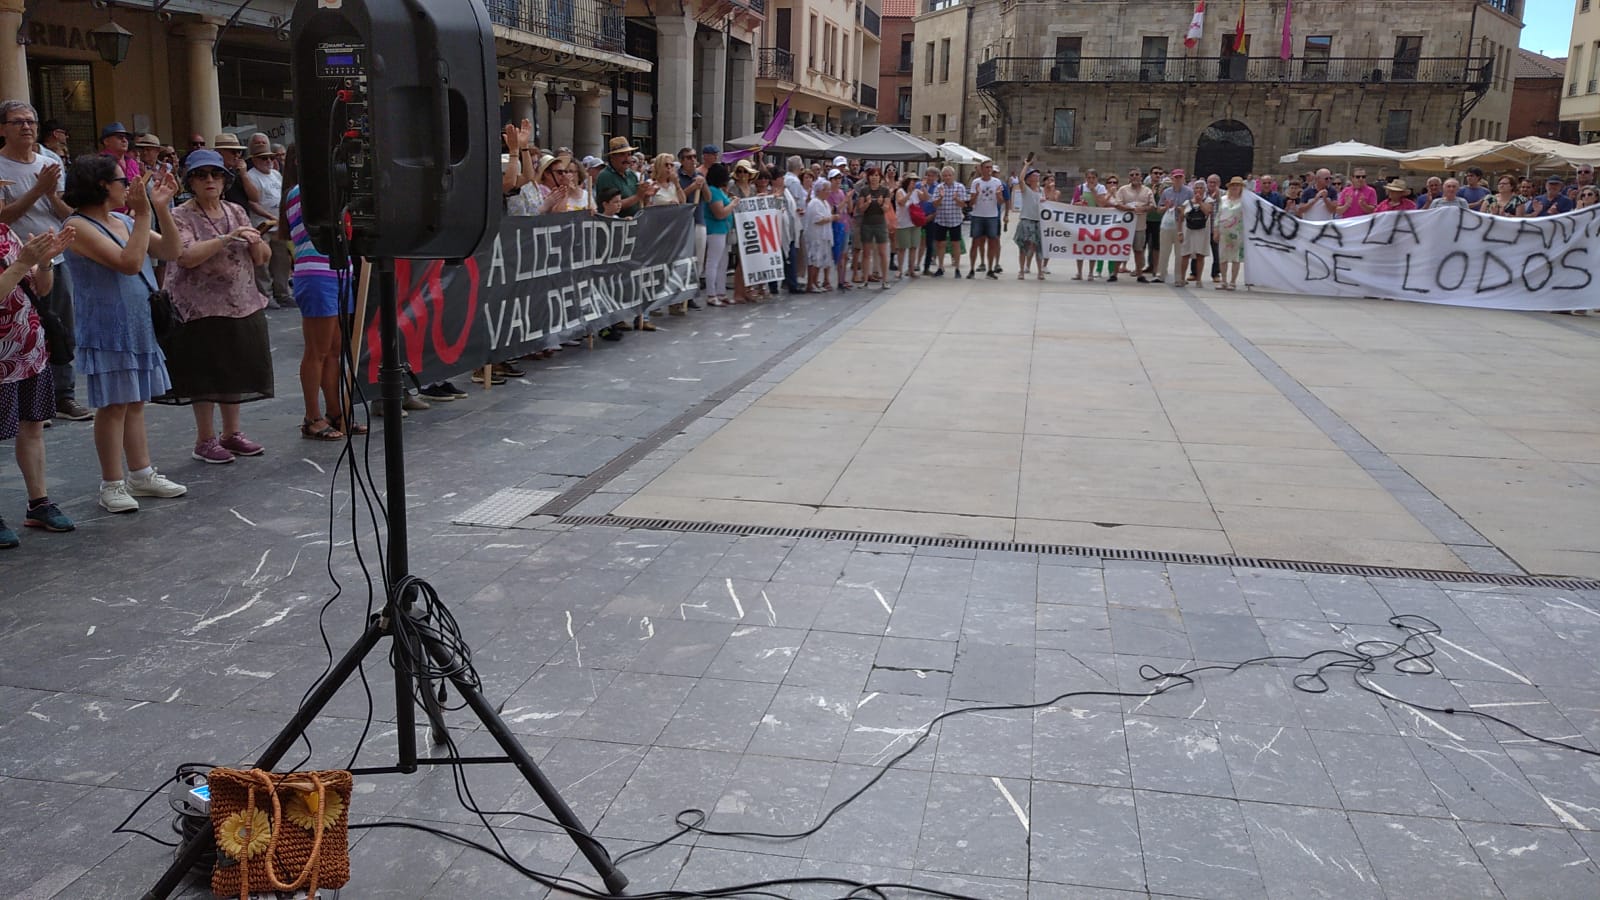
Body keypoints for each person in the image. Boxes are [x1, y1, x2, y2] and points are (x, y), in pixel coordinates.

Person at [62, 157, 188, 512]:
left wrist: (160, 208)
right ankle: (112, 482)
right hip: (107, 326)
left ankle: (141, 472)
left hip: (137, 321)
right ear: (103, 185)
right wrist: (144, 213)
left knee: (134, 401)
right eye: (123, 179)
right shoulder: (77, 225)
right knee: (114, 404)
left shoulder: (121, 219)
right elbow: (129, 262)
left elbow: (171, 251)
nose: (128, 185)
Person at [158, 149, 276, 465]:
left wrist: (256, 242)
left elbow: (262, 258)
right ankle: (205, 438)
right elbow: (185, 256)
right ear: (190, 182)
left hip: (241, 302)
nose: (209, 180)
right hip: (198, 307)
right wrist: (227, 238)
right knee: (205, 375)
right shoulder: (181, 215)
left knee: (234, 369)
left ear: (225, 180)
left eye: (216, 174)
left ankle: (232, 433)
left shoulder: (235, 210)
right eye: (201, 175)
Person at [0, 100, 92, 422]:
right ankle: (30, 400)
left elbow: (69, 214)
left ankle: (64, 396)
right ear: (2, 129)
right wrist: (38, 189)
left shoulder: (50, 161)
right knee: (23, 328)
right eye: (17, 121)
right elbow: (3, 216)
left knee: (60, 324)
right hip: (14, 262)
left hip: (56, 258)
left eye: (30, 121)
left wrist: (51, 194)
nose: (26, 126)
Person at [279, 153, 376, 434]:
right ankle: (312, 416)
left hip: (337, 268)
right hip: (317, 272)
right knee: (317, 350)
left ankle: (335, 411)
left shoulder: (319, 192)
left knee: (334, 349)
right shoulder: (301, 193)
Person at [0, 223, 77, 547]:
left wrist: (44, 261)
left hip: (29, 353)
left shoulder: (6, 232)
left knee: (32, 427)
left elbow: (41, 289)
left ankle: (39, 502)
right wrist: (22, 264)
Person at [243, 134, 291, 309]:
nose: (268, 160)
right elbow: (252, 202)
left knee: (282, 260)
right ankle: (266, 296)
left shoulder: (276, 174)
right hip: (262, 225)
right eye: (264, 158)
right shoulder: (251, 176)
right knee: (263, 263)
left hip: (279, 224)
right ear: (254, 159)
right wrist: (270, 217)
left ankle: (283, 293)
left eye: (271, 157)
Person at [701, 162, 737, 306]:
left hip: (722, 230)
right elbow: (719, 213)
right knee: (713, 262)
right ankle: (711, 294)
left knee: (723, 263)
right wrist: (733, 204)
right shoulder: (713, 191)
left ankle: (720, 292)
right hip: (715, 229)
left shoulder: (718, 190)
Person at [1114, 168, 1156, 282]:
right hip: (1125, 227)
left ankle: (1139, 274)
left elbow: (1152, 206)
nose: (1134, 177)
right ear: (1129, 177)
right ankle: (1114, 274)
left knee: (1139, 250)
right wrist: (1131, 209)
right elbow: (1117, 204)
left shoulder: (1147, 190)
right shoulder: (1123, 190)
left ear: (1141, 177)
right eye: (1132, 175)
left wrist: (1143, 208)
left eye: (1137, 174)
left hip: (1140, 226)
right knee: (1121, 249)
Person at [966, 160, 1006, 279]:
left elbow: (1001, 202)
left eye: (990, 168)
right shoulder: (976, 182)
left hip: (992, 216)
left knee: (992, 242)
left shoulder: (997, 182)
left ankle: (990, 268)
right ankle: (972, 268)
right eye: (987, 167)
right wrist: (976, 194)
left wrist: (999, 196)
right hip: (978, 215)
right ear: (982, 169)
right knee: (975, 242)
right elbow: (971, 203)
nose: (989, 170)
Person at [853, 167, 891, 290]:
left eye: (876, 175)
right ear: (868, 177)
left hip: (880, 223)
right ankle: (864, 279)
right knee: (866, 253)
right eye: (872, 175)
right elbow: (861, 209)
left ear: (880, 177)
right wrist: (867, 203)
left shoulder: (885, 190)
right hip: (867, 223)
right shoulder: (864, 190)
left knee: (882, 252)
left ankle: (885, 280)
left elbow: (886, 208)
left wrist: (880, 203)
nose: (874, 177)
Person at [928, 165, 968, 278]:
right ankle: (940, 266)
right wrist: (941, 197)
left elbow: (963, 204)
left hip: (955, 219)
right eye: (945, 175)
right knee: (940, 244)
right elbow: (934, 204)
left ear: (953, 176)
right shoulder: (939, 187)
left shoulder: (960, 187)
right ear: (942, 177)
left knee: (956, 244)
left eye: (949, 175)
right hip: (941, 219)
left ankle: (957, 268)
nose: (947, 177)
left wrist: (956, 199)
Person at [1072, 169, 1107, 280]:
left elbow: (1101, 204)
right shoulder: (1080, 188)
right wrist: (1080, 203)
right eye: (1089, 178)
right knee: (1080, 247)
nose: (1091, 180)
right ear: (1085, 178)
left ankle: (1091, 272)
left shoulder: (1101, 188)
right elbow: (1073, 203)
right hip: (1082, 221)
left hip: (1095, 221)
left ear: (1097, 178)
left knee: (1093, 247)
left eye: (1093, 178)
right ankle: (1079, 272)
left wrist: (1093, 191)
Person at [1176, 180, 1213, 286]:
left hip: (1202, 231)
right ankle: (1182, 278)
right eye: (1197, 188)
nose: (1199, 190)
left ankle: (1198, 279)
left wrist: (1200, 202)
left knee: (1200, 255)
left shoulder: (1209, 201)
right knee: (1185, 254)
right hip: (1188, 231)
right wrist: (1179, 232)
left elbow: (1207, 212)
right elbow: (1181, 217)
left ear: (1205, 189)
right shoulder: (1187, 203)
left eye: (1201, 188)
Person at [1156, 171, 1190, 283]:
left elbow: (1193, 207)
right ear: (1172, 179)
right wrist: (1166, 207)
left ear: (1184, 178)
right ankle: (1161, 274)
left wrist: (1183, 209)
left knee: (1180, 252)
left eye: (1180, 177)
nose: (1178, 179)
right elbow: (1159, 209)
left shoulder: (1189, 192)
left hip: (1182, 224)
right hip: (1167, 224)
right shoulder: (1167, 192)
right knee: (1164, 250)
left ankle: (1179, 277)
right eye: (1176, 177)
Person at [1213, 176, 1247, 290]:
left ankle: (1233, 281)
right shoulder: (1223, 199)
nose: (1235, 188)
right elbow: (1218, 214)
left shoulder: (1244, 201)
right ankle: (1224, 280)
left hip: (1238, 232)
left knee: (1235, 258)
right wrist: (1216, 229)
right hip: (1224, 232)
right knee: (1223, 257)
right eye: (1233, 186)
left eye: (1238, 186)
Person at [1010, 168, 1044, 280]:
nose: (1037, 176)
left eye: (1038, 175)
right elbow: (1020, 179)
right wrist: (1026, 165)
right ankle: (1021, 270)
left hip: (1038, 221)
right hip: (1027, 219)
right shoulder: (1026, 190)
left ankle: (1040, 271)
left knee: (1039, 247)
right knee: (1023, 247)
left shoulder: (1041, 191)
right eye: (1034, 175)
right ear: (1029, 179)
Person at [803, 177, 835, 292]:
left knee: (820, 260)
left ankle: (815, 282)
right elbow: (818, 219)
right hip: (815, 236)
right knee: (814, 260)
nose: (829, 192)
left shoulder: (825, 203)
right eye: (826, 190)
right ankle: (810, 284)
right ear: (820, 190)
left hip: (823, 235)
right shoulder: (815, 203)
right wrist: (831, 218)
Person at [893, 174, 922, 280]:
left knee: (913, 247)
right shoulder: (900, 191)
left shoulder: (917, 191)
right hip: (903, 223)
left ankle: (911, 270)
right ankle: (900, 269)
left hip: (914, 223)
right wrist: (909, 193)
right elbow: (901, 202)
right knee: (902, 248)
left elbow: (926, 198)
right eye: (912, 181)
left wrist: (923, 188)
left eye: (915, 181)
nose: (914, 183)